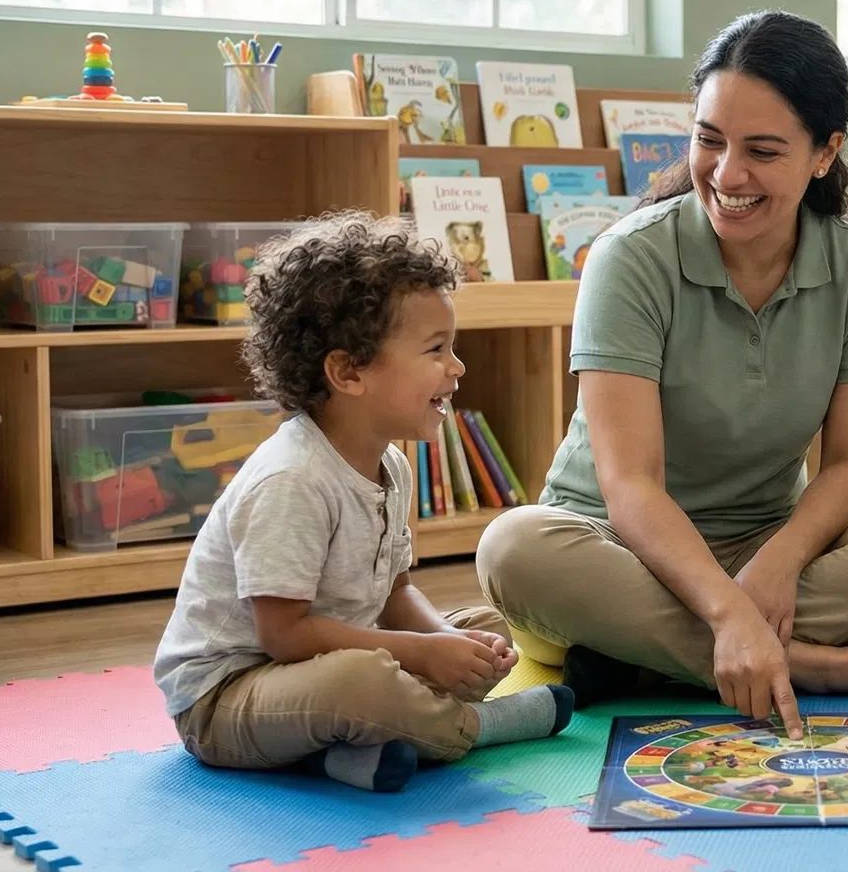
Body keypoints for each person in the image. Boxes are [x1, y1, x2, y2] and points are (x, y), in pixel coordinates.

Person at [476, 10, 848, 737]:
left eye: (763, 150)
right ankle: (814, 666)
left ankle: (641, 662)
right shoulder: (628, 259)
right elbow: (629, 487)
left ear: (824, 152)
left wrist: (778, 564)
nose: (727, 174)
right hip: (614, 549)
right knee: (514, 549)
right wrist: (724, 610)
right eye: (709, 139)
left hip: (765, 543)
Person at [152, 212, 573, 794]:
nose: (457, 368)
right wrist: (421, 657)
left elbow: (394, 595)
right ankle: (475, 726)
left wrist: (439, 644)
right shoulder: (291, 481)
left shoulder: (390, 463)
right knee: (362, 681)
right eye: (435, 349)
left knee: (483, 627)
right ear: (348, 371)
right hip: (230, 697)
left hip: (320, 665)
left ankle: (347, 756)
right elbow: (284, 637)